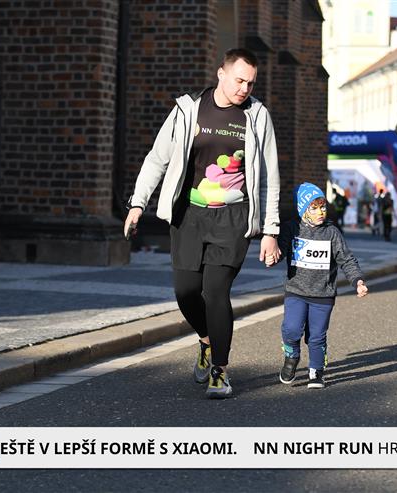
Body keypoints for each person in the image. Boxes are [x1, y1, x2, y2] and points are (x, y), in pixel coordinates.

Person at [123, 48, 281, 399]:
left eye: (250, 83)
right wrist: (137, 203)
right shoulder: (188, 108)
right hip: (189, 215)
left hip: (233, 217)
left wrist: (271, 230)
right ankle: (206, 341)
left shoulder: (257, 116)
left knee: (216, 292)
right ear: (221, 74)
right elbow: (157, 159)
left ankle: (220, 371)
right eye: (239, 80)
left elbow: (269, 177)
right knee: (185, 291)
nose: (244, 89)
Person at [270, 183, 368, 389]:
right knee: (291, 329)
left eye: (322, 207)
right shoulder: (292, 228)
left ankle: (316, 370)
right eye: (313, 208)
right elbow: (281, 249)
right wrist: (274, 255)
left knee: (316, 336)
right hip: (296, 291)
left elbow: (346, 259)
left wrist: (357, 280)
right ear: (303, 210)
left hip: (323, 295)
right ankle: (291, 357)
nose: (320, 212)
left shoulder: (332, 232)